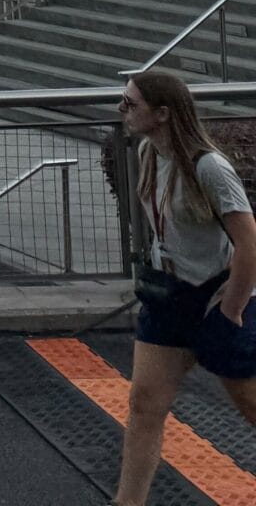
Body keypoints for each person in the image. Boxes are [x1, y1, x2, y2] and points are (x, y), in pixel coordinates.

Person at [116, 71, 256, 505]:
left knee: (250, 404)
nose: (122, 111)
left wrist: (231, 309)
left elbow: (249, 239)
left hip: (214, 297)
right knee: (144, 406)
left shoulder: (208, 166)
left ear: (162, 114)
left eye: (130, 104)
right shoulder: (148, 153)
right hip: (168, 298)